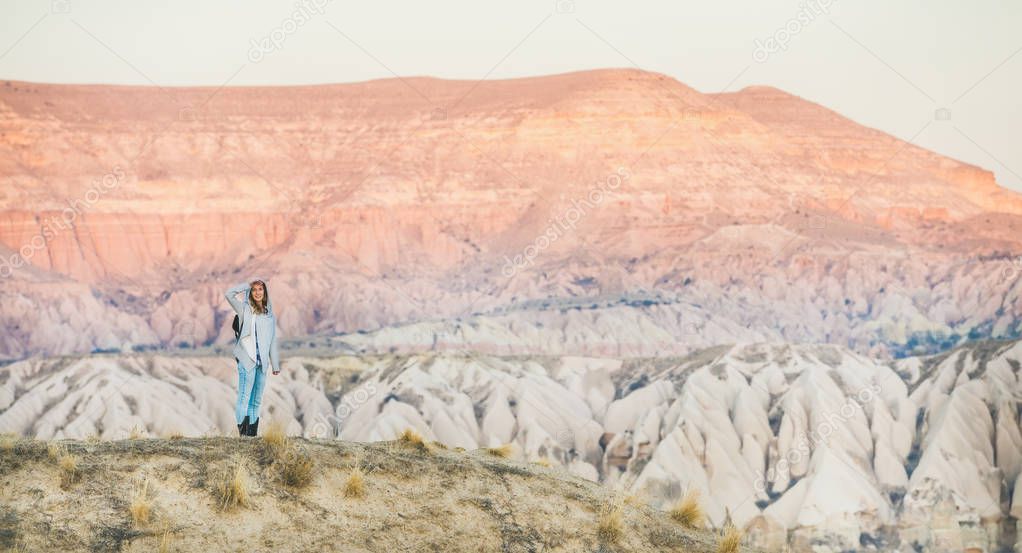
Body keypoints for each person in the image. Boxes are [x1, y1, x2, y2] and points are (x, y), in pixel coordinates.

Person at [224, 278, 281, 437]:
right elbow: (229, 294)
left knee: (256, 401)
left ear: (265, 292)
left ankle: (252, 437)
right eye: (254, 289)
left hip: (262, 363)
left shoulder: (269, 315)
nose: (257, 292)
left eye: (260, 289)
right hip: (247, 360)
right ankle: (243, 437)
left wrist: (275, 365)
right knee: (244, 398)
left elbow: (272, 340)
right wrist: (246, 285)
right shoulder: (243, 309)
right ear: (250, 292)